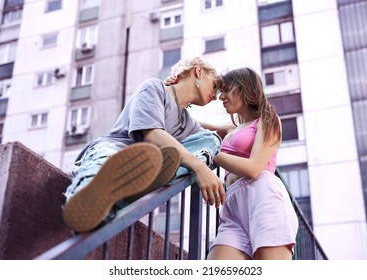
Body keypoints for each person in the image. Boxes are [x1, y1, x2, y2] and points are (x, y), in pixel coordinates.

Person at [63, 57, 226, 233]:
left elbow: (221, 133)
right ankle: (85, 203)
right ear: (198, 71)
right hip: (115, 149)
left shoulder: (186, 122)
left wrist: (253, 123)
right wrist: (200, 167)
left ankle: (116, 200)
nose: (216, 97)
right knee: (104, 160)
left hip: (141, 170)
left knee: (211, 139)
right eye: (215, 85)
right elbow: (153, 134)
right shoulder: (155, 88)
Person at [168, 67, 298, 260]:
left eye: (226, 90)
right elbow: (189, 126)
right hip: (234, 206)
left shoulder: (268, 119)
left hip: (264, 198)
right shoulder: (230, 130)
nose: (221, 97)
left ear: (243, 88)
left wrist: (211, 152)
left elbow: (253, 169)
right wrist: (174, 93)